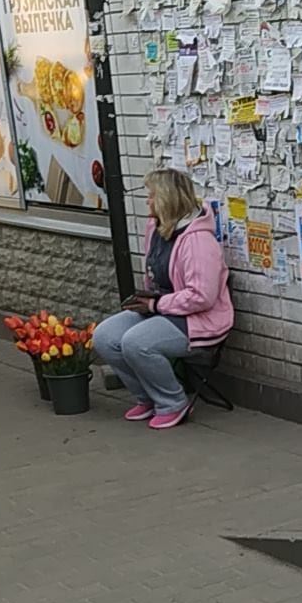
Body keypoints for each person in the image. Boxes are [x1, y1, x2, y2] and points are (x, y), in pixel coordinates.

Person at [92, 169, 233, 429]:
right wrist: (147, 301)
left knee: (136, 342)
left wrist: (156, 305)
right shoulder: (156, 228)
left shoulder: (199, 241)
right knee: (105, 336)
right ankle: (146, 396)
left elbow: (202, 297)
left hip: (199, 319)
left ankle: (172, 402)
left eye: (152, 196)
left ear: (167, 199)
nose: (148, 201)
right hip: (162, 308)